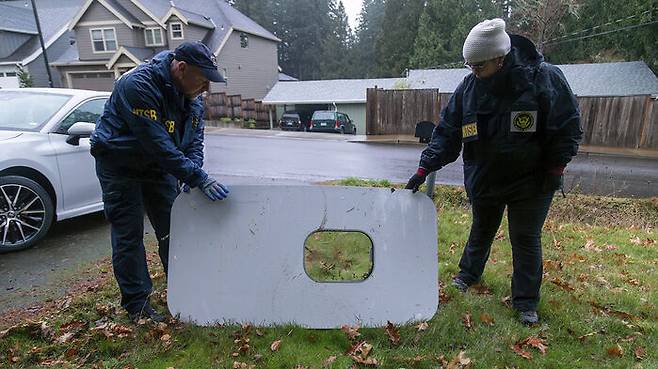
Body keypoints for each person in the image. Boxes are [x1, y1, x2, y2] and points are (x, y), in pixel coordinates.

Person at [405, 19, 582, 325]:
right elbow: (447, 131)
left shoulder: (543, 78)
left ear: (500, 58)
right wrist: (425, 167)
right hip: (485, 176)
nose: (473, 71)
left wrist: (556, 167)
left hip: (532, 180)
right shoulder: (469, 88)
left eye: (479, 65)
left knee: (525, 238)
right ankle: (468, 274)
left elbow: (567, 128)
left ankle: (526, 302)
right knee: (481, 229)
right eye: (469, 65)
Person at [91, 41, 230, 323]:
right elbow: (157, 144)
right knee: (129, 235)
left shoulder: (193, 99)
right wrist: (196, 176)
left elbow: (194, 142)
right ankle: (137, 305)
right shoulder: (138, 84)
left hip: (158, 167)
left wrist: (194, 173)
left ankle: (183, 289)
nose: (206, 89)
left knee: (174, 231)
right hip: (120, 165)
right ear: (181, 68)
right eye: (203, 80)